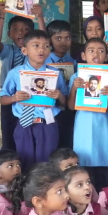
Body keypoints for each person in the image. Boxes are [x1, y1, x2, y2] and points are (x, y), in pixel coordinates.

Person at [0, 30, 67, 169]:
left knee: (47, 163)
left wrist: (58, 95)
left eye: (46, 46)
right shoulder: (15, 73)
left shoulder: (54, 74)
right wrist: (14, 98)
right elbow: (3, 99)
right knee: (24, 160)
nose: (41, 49)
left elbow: (65, 102)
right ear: (24, 50)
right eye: (36, 45)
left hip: (47, 122)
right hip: (24, 122)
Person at [67, 39, 108, 188]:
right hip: (83, 124)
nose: (96, 54)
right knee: (84, 162)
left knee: (106, 160)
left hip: (104, 124)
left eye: (101, 51)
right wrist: (74, 88)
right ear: (83, 55)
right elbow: (70, 106)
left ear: (107, 57)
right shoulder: (77, 77)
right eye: (91, 50)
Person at [0, 0, 40, 151]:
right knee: (9, 133)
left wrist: (40, 17)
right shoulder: (8, 51)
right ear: (9, 34)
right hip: (9, 99)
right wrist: (2, 15)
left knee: (28, 134)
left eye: (26, 29)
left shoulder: (35, 52)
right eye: (16, 29)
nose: (21, 32)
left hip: (31, 99)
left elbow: (43, 40)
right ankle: (9, 163)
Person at [46, 20, 77, 149]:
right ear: (50, 40)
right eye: (58, 38)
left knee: (67, 138)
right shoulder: (44, 60)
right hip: (51, 108)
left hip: (69, 105)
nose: (63, 42)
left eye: (67, 38)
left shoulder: (72, 61)